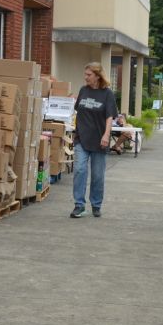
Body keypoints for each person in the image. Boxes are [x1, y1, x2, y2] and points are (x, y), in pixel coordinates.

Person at [71, 62, 117, 218]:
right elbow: (78, 111)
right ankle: (79, 204)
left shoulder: (107, 94)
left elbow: (110, 116)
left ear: (97, 76)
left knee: (97, 175)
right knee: (79, 170)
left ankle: (96, 204)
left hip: (99, 140)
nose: (86, 77)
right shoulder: (83, 90)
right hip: (81, 138)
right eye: (85, 74)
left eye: (89, 75)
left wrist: (106, 135)